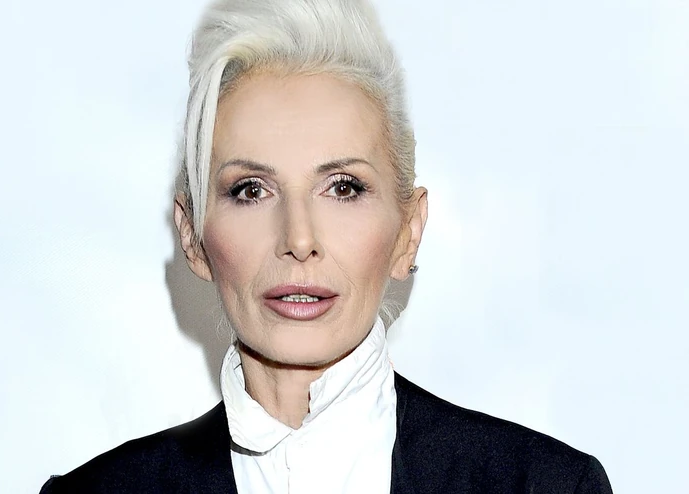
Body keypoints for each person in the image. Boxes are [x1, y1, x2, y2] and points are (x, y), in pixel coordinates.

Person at [40, 0, 613, 492]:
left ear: (408, 230)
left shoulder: (545, 485)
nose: (298, 239)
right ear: (192, 236)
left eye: (343, 188)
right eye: (251, 190)